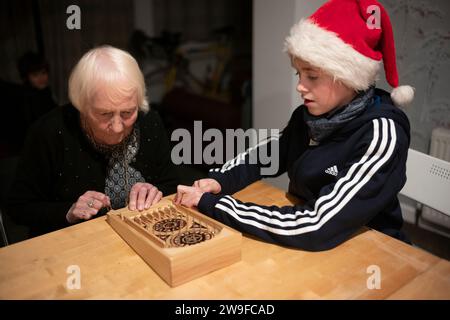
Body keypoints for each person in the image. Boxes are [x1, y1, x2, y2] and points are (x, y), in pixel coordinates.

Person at [174, 0, 414, 251]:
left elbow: (316, 226)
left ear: (348, 76)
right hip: (321, 243)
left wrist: (216, 204)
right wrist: (220, 181)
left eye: (312, 76)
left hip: (372, 250)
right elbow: (267, 154)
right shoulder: (309, 116)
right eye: (298, 74)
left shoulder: (381, 134)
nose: (300, 86)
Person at [7, 45, 179, 237]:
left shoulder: (149, 122)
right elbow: (18, 207)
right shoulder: (49, 132)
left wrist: (156, 191)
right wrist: (69, 211)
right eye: (104, 114)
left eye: (128, 112)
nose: (117, 127)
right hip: (71, 245)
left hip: (139, 238)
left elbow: (171, 183)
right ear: (81, 104)